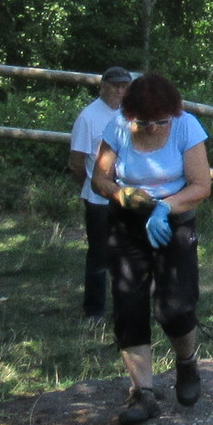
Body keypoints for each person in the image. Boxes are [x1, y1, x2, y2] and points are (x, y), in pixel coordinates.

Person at [88, 71, 213, 425]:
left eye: (161, 121)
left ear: (172, 113)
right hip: (127, 222)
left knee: (176, 306)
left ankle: (186, 363)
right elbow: (99, 178)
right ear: (130, 116)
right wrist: (121, 194)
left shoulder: (186, 126)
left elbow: (201, 185)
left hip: (174, 220)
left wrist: (164, 207)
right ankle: (142, 393)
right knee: (129, 304)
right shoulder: (116, 127)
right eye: (144, 122)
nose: (154, 128)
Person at [69, 67, 135, 320]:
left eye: (125, 86)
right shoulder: (88, 117)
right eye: (116, 85)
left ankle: (128, 305)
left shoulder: (131, 114)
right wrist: (89, 186)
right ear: (103, 86)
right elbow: (76, 162)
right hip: (98, 197)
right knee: (99, 254)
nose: (120, 91)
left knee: (129, 252)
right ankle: (94, 310)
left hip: (127, 194)